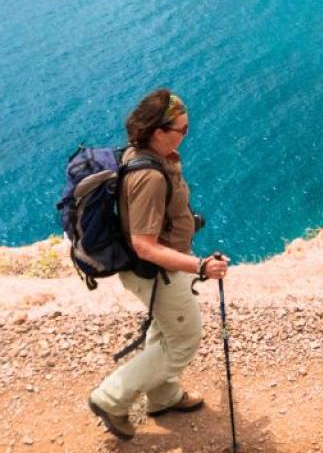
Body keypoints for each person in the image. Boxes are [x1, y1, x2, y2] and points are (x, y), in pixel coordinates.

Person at [88, 89, 229, 441]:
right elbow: (144, 245)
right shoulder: (148, 176)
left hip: (162, 272)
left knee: (164, 331)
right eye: (181, 129)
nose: (186, 135)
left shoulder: (149, 155)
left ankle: (163, 396)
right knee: (183, 339)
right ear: (157, 131)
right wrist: (199, 267)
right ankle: (110, 398)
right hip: (157, 274)